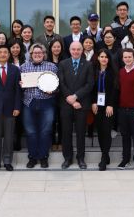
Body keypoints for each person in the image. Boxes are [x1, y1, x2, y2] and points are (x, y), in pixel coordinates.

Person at [20, 43, 58, 169]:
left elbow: (58, 84)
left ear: (44, 54)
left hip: (47, 102)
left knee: (45, 131)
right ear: (30, 54)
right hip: (29, 102)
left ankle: (43, 157)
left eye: (39, 53)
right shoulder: (23, 67)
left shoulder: (52, 67)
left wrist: (53, 89)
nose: (37, 54)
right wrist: (20, 84)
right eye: (34, 53)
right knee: (30, 132)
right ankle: (32, 157)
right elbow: (18, 86)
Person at [57, 41, 95, 169]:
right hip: (66, 103)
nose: (76, 51)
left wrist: (76, 97)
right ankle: (67, 158)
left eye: (78, 49)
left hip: (82, 104)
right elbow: (61, 83)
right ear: (69, 50)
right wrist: (70, 98)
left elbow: (90, 84)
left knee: (80, 133)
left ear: (82, 50)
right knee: (66, 132)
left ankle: (81, 158)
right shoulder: (62, 64)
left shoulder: (88, 64)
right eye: (73, 49)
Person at [91, 49, 119, 171]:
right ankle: (105, 154)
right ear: (98, 58)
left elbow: (115, 90)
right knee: (100, 131)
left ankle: (103, 158)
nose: (104, 59)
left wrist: (110, 104)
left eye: (106, 57)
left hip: (109, 106)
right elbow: (91, 88)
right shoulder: (93, 71)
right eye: (101, 56)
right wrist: (93, 102)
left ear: (109, 59)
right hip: (97, 105)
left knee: (107, 131)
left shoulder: (113, 72)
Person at [48, 38, 66, 151]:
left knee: (62, 120)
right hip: (50, 95)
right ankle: (53, 142)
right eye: (54, 47)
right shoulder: (46, 61)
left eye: (58, 46)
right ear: (51, 48)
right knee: (51, 120)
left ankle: (61, 141)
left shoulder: (65, 60)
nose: (56, 48)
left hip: (63, 95)